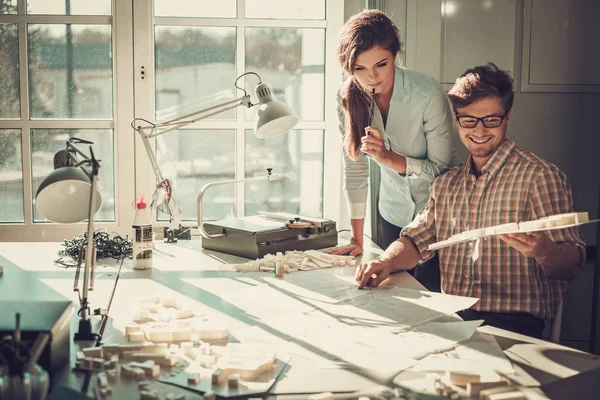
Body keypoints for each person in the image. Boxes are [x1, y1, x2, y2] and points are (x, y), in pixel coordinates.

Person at [355, 62, 585, 338]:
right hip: (452, 319)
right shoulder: (448, 183)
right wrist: (386, 261)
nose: (479, 130)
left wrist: (544, 250)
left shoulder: (539, 177)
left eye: (491, 120)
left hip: (513, 327)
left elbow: (571, 265)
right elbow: (415, 240)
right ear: (456, 119)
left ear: (507, 116)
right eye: (469, 120)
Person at [330, 9, 457, 292]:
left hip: (438, 216)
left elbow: (442, 171)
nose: (371, 77)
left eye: (381, 64)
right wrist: (356, 237)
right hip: (393, 215)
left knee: (436, 306)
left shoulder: (426, 94)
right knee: (396, 300)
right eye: (359, 69)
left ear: (396, 55)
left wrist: (388, 158)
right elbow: (354, 167)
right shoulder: (347, 97)